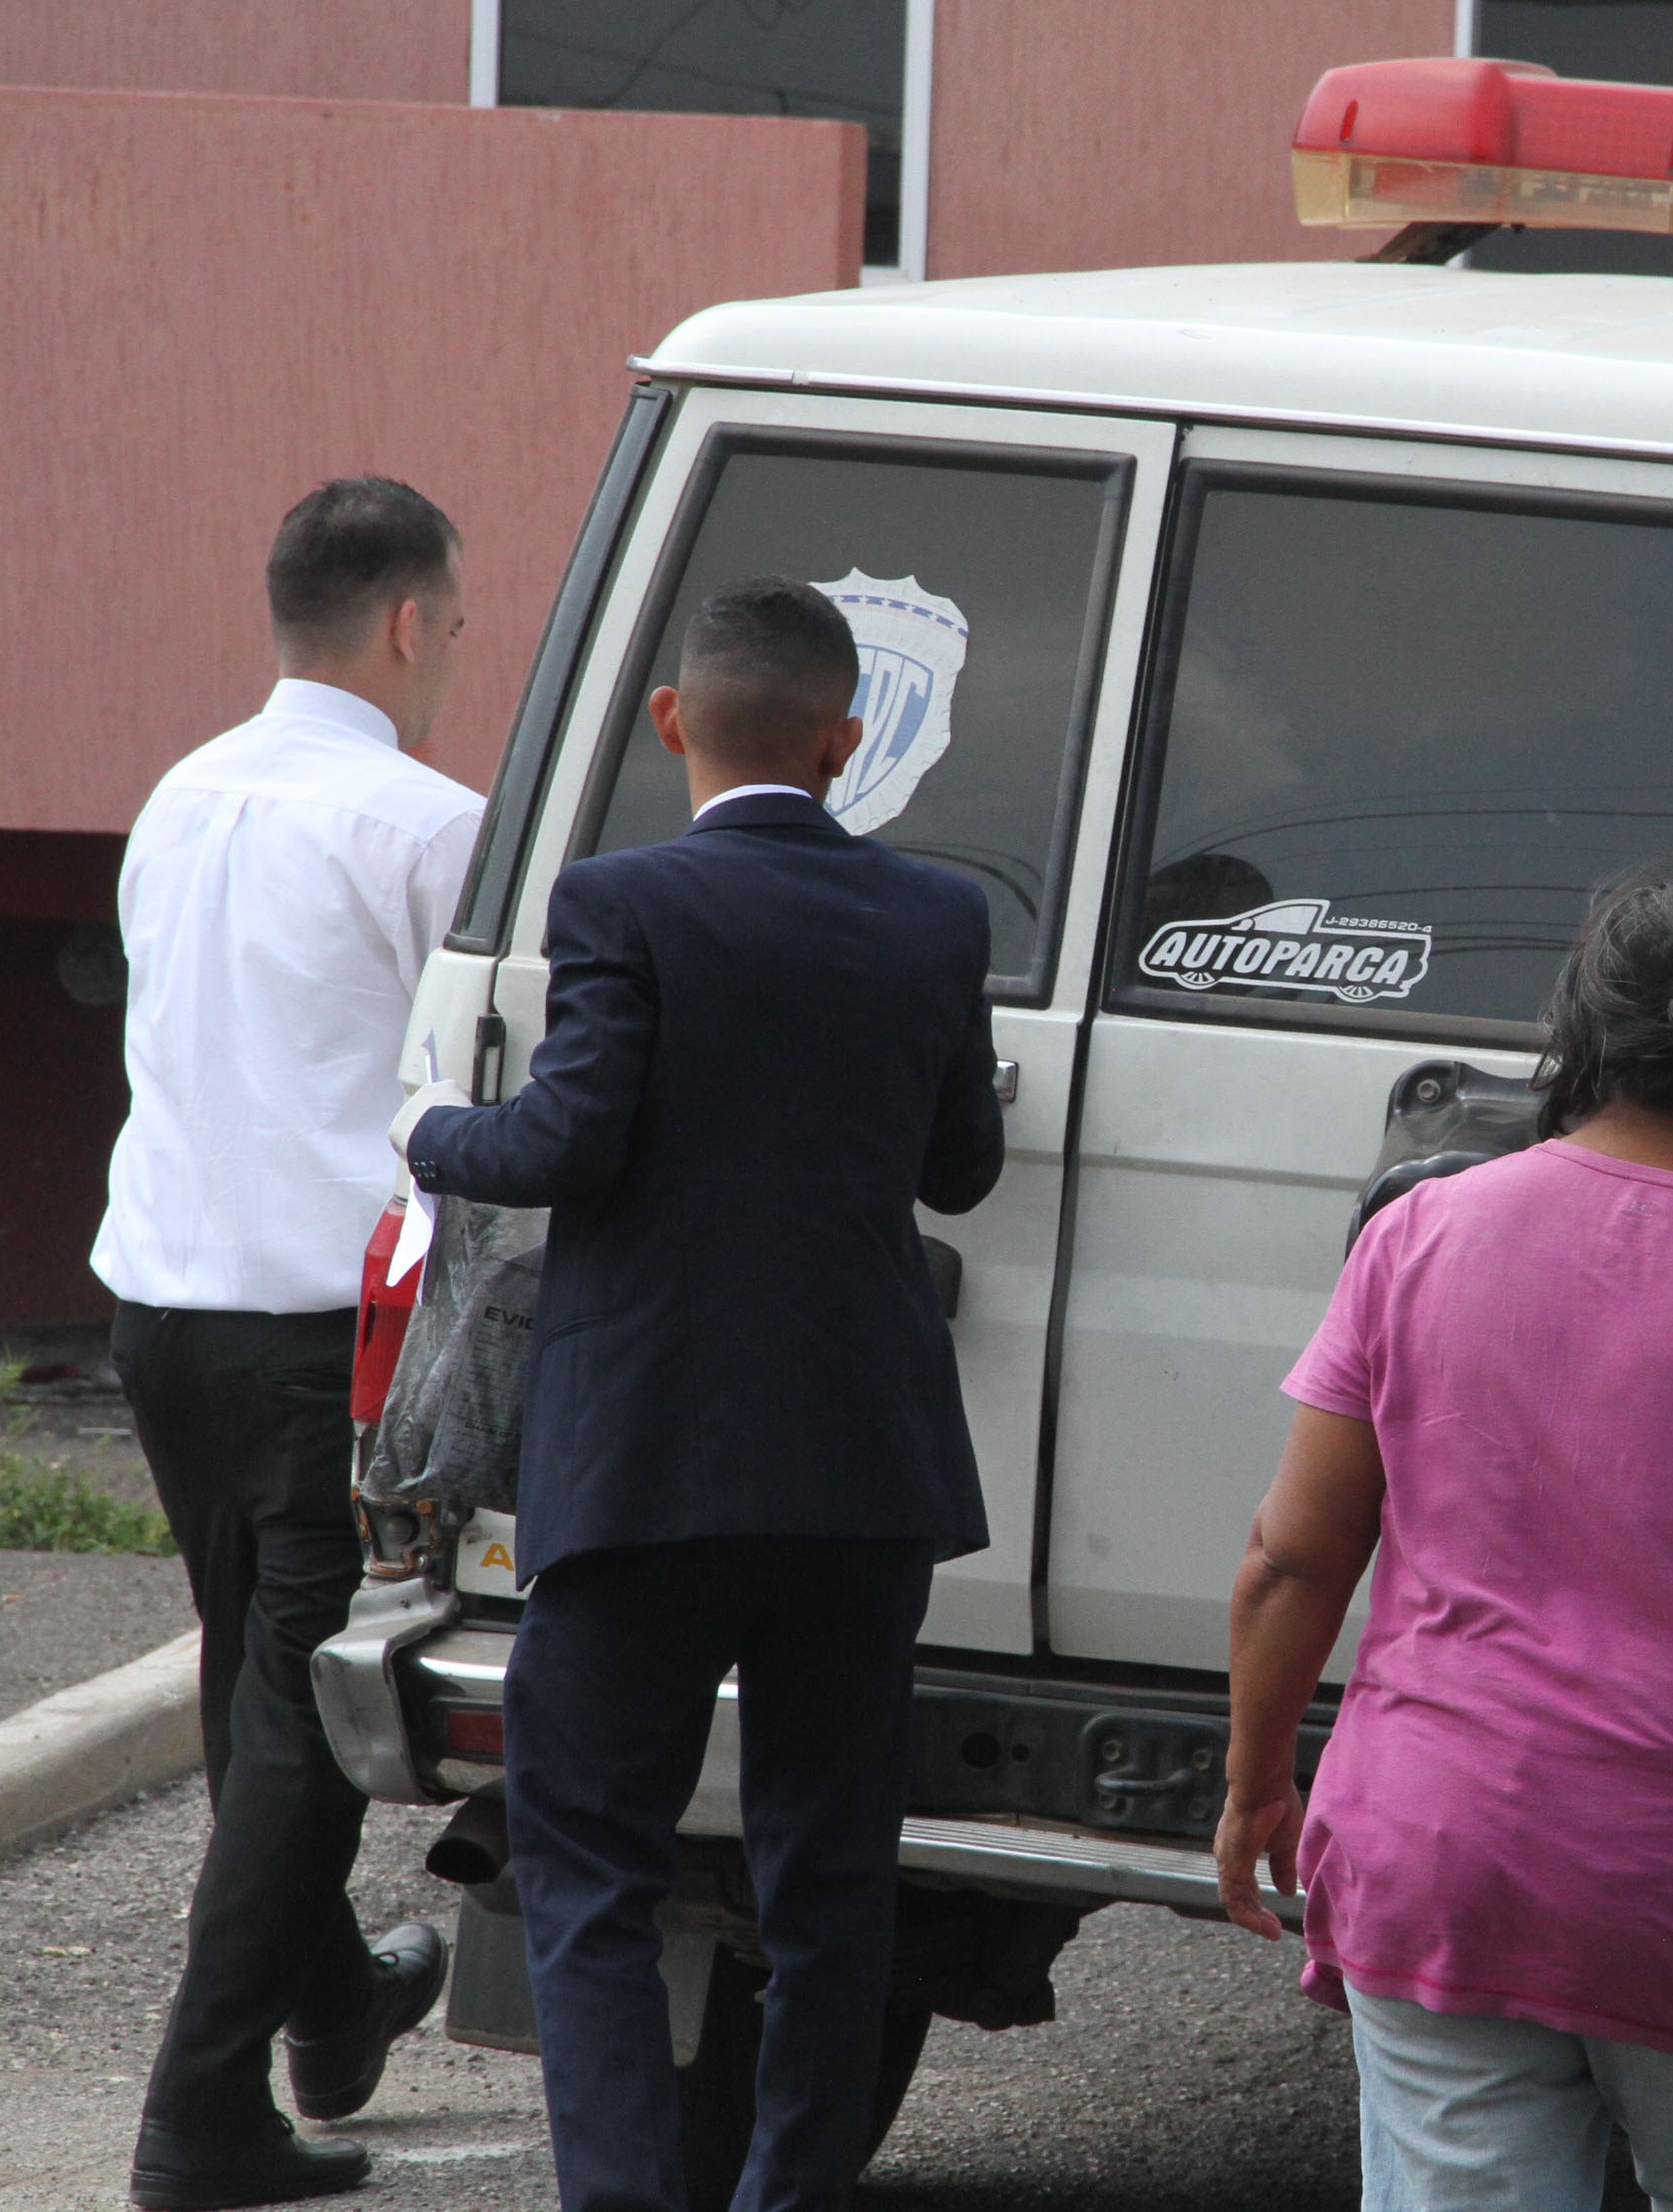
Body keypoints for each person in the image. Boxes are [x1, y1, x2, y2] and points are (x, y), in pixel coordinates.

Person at [1213, 869, 1673, 2212]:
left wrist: (1257, 1781)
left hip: (1438, 1855)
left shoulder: (1419, 1236)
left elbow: (1291, 1558)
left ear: (1584, 1034)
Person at [396, 576, 1002, 2212]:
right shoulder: (944, 921)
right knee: (831, 1879)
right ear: (847, 741)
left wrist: (432, 1133)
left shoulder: (621, 903)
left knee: (589, 1870)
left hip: (648, 1458)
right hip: (860, 1470)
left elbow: (565, 1143)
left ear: (675, 721)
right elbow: (961, 1169)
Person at [96, 477, 477, 2209]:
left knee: (249, 1670)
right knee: (306, 1719)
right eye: (454, 630)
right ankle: (200, 2118)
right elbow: (477, 1085)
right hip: (326, 1330)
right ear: (407, 624)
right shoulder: (426, 824)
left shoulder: (177, 796)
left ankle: (335, 2004)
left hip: (162, 1312)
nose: (453, 659)